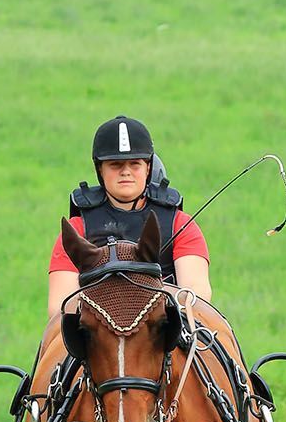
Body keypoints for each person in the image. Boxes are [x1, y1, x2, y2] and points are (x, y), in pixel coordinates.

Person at [45, 116, 211, 336]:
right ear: (100, 170)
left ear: (148, 168)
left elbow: (196, 294)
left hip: (163, 332)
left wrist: (144, 305)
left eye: (135, 164)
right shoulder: (77, 229)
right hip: (96, 335)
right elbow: (59, 305)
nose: (126, 172)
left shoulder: (180, 224)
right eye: (115, 165)